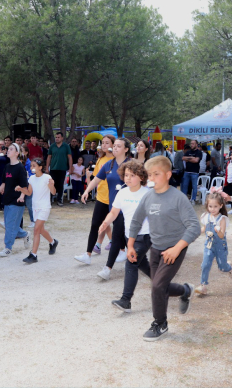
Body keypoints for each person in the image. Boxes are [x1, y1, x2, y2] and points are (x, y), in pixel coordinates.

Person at [127, 156, 201, 341]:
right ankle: (185, 291)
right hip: (156, 248)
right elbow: (136, 221)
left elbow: (194, 227)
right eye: (150, 174)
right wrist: (130, 245)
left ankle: (160, 323)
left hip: (174, 249)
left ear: (168, 174)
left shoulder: (178, 198)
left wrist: (177, 249)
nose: (152, 178)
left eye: (156, 174)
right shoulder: (148, 196)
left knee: (158, 286)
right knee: (160, 285)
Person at [101, 161, 151, 312]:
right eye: (126, 175)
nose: (128, 178)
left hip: (145, 235)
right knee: (145, 267)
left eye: (132, 175)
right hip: (129, 235)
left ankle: (125, 300)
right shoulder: (122, 192)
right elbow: (114, 212)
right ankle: (175, 288)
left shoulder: (148, 193)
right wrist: (105, 222)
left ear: (141, 177)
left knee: (131, 262)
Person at [78, 138, 131, 280]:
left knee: (121, 235)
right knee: (121, 235)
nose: (115, 148)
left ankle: (108, 268)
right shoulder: (109, 164)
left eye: (118, 146)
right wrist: (86, 191)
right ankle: (133, 260)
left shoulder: (131, 165)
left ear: (126, 149)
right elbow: (96, 179)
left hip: (127, 207)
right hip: (113, 206)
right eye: (114, 146)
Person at [76, 135, 115, 261]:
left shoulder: (118, 160)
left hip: (116, 200)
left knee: (120, 227)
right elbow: (95, 180)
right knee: (94, 225)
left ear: (113, 145)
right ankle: (88, 254)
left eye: (107, 143)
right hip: (102, 198)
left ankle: (123, 251)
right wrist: (87, 190)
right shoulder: (100, 160)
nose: (104, 145)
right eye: (102, 143)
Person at [14, 157, 58, 263]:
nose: (32, 168)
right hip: (35, 207)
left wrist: (52, 185)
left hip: (44, 207)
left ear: (40, 167)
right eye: (31, 166)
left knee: (36, 230)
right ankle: (53, 242)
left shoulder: (47, 177)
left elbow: (53, 192)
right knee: (41, 230)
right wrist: (21, 190)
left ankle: (33, 255)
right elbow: (29, 192)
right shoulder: (32, 179)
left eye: (34, 166)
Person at [0, 143, 30, 256]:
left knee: (9, 225)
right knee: (10, 225)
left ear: (17, 153)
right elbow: (4, 183)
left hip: (17, 201)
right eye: (8, 149)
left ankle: (8, 247)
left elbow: (24, 185)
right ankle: (25, 234)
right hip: (7, 199)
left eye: (11, 149)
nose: (8, 150)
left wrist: (22, 197)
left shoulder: (20, 168)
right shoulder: (7, 166)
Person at [194, 192, 232, 295]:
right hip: (209, 245)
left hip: (220, 246)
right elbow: (204, 228)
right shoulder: (206, 217)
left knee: (222, 267)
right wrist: (197, 231)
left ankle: (228, 266)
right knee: (205, 264)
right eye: (210, 206)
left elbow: (222, 236)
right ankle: (203, 286)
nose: (212, 209)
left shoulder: (222, 219)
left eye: (215, 206)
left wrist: (218, 230)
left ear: (221, 206)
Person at [47, 132, 72, 206]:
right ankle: (50, 199)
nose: (57, 138)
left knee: (60, 185)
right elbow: (49, 157)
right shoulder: (52, 146)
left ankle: (59, 200)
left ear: (62, 138)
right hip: (53, 168)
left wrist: (70, 168)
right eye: (56, 137)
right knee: (52, 184)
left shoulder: (66, 146)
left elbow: (70, 157)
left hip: (62, 168)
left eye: (58, 137)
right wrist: (47, 167)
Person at [181, 139, 202, 204]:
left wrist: (188, 158)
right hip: (187, 172)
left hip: (195, 172)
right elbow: (183, 158)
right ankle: (184, 199)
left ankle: (193, 199)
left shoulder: (199, 152)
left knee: (194, 186)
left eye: (193, 144)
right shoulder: (188, 151)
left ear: (196, 144)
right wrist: (192, 158)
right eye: (191, 143)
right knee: (185, 186)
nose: (191, 145)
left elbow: (196, 161)